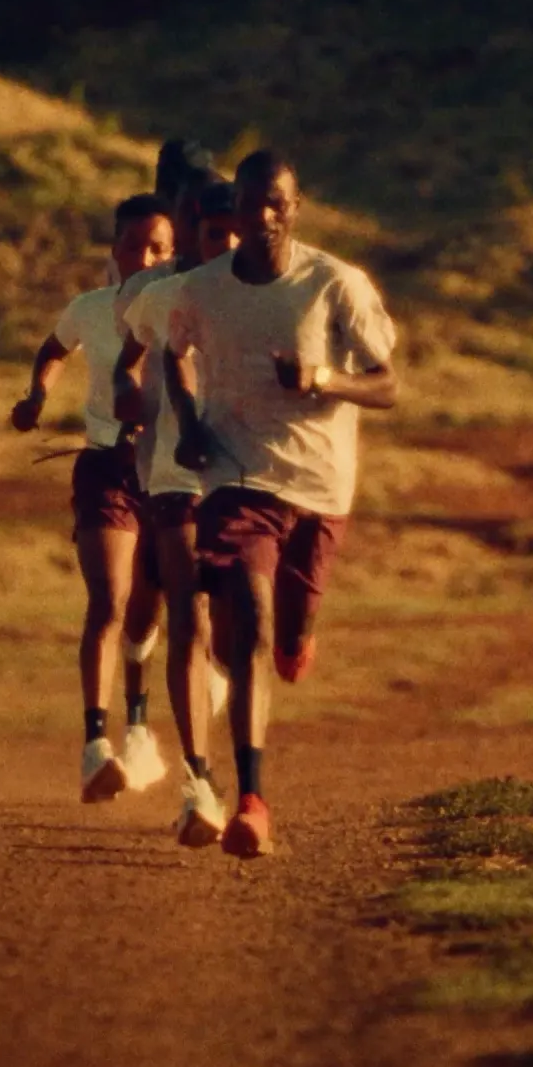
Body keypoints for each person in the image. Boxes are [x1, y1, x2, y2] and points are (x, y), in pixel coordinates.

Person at [163, 152, 399, 858]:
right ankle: (253, 801)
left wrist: (324, 377)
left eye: (277, 204)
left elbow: (388, 385)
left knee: (285, 631)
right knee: (251, 619)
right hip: (239, 478)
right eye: (250, 203)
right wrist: (191, 421)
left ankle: (294, 643)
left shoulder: (335, 283)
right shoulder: (203, 289)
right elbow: (174, 351)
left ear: (295, 209)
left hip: (321, 487)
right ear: (230, 209)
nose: (263, 216)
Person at [12, 193, 175, 804]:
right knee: (109, 600)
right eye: (134, 245)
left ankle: (138, 729)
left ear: (174, 252)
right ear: (115, 251)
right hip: (105, 466)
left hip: (164, 474)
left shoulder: (183, 311)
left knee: (145, 616)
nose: (145, 256)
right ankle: (93, 747)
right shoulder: (90, 308)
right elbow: (54, 347)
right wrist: (36, 396)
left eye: (158, 247)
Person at [113, 179, 241, 847]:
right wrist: (128, 401)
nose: (226, 243)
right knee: (181, 614)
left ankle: (216, 753)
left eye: (234, 230)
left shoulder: (277, 293)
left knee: (237, 625)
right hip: (176, 478)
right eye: (214, 230)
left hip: (252, 481)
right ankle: (199, 780)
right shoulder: (161, 295)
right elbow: (128, 358)